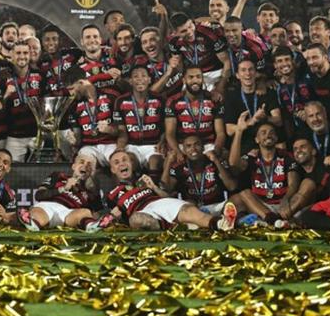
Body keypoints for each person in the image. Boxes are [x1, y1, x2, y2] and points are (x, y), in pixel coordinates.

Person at [97, 149, 237, 231]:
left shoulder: (144, 180)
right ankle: (182, 226)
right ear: (113, 169)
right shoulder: (112, 194)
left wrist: (154, 187)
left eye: (124, 160)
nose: (122, 163)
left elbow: (166, 196)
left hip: (160, 202)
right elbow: (109, 219)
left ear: (131, 164)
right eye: (117, 162)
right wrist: (108, 219)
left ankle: (221, 223)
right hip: (143, 211)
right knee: (136, 220)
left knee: (187, 210)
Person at [228, 118, 304, 227]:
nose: (268, 135)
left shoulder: (286, 156)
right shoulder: (251, 157)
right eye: (263, 133)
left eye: (272, 132)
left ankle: (267, 221)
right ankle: (272, 220)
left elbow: (293, 184)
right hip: (260, 206)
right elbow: (233, 163)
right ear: (257, 140)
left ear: (276, 138)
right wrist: (239, 131)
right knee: (243, 193)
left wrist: (286, 200)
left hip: (283, 204)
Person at [17, 153, 104, 231]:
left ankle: (91, 226)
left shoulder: (91, 192)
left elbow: (98, 213)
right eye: (82, 162)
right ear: (73, 166)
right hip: (47, 206)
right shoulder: (58, 176)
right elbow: (39, 195)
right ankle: (33, 224)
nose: (85, 166)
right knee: (38, 212)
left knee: (85, 212)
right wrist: (63, 188)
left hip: (68, 213)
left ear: (92, 172)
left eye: (89, 165)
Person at [161, 134, 239, 215]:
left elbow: (232, 186)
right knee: (188, 203)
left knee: (239, 198)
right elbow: (166, 188)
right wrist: (168, 163)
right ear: (183, 150)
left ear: (203, 147)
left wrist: (216, 161)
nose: (193, 149)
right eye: (188, 146)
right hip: (194, 209)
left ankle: (240, 220)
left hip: (218, 206)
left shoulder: (214, 161)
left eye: (197, 145)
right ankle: (215, 222)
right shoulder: (179, 167)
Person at [164, 65, 226, 162]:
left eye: (198, 77)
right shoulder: (173, 101)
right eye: (191, 77)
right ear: (184, 80)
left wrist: (217, 149)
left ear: (203, 79)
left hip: (207, 144)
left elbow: (220, 133)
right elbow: (170, 133)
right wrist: (178, 152)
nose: (195, 80)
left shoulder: (214, 100)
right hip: (183, 145)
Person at [114, 65, 166, 176]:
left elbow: (165, 127)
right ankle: (127, 191)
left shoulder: (160, 99)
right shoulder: (121, 101)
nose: (140, 79)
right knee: (126, 163)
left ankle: (153, 191)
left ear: (149, 80)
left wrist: (162, 142)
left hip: (153, 145)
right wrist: (120, 147)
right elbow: (121, 131)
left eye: (143, 76)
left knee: (154, 162)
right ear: (130, 81)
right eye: (135, 76)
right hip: (132, 145)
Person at [167, 12, 230, 97]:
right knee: (186, 98)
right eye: (183, 31)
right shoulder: (173, 41)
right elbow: (179, 65)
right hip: (193, 74)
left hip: (215, 72)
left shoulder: (208, 33)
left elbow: (227, 61)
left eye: (190, 26)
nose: (189, 32)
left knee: (213, 98)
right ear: (175, 33)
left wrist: (220, 86)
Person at [3, 41, 42, 162]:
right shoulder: (4, 77)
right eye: (18, 53)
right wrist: (5, 96)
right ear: (12, 55)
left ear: (30, 55)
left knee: (41, 170)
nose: (22, 56)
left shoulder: (40, 76)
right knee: (13, 171)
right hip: (15, 136)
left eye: (25, 53)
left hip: (37, 134)